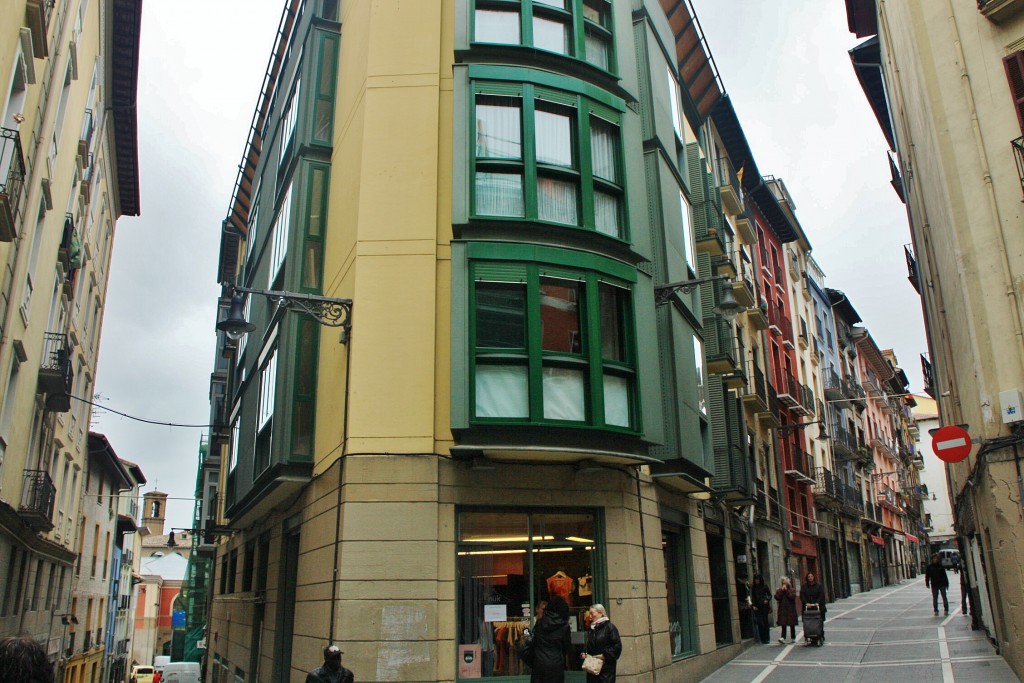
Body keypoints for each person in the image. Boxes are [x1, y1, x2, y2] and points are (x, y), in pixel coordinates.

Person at [527, 596, 573, 683]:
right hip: (555, 663)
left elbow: (533, 641)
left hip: (539, 663)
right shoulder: (564, 625)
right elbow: (567, 646)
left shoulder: (540, 622)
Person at [582, 603, 621, 682]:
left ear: (601, 613)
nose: (590, 616)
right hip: (592, 669)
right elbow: (588, 645)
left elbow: (617, 647)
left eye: (592, 613)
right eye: (589, 614)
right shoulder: (592, 629)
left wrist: (604, 655)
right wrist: (583, 653)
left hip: (605, 670)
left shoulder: (610, 627)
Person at [799, 572, 827, 642]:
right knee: (808, 622)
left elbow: (821, 595)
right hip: (808, 608)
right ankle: (810, 635)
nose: (810, 578)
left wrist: (817, 602)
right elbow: (802, 596)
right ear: (807, 578)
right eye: (809, 576)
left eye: (811, 576)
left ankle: (820, 634)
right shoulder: (804, 587)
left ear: (814, 577)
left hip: (818, 607)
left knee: (819, 621)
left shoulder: (819, 586)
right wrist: (806, 603)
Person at [750, 574, 773, 644]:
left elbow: (770, 595)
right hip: (757, 607)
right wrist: (753, 606)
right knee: (760, 622)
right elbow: (753, 597)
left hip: (764, 606)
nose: (757, 581)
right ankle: (762, 638)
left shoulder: (764, 586)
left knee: (765, 622)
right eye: (755, 579)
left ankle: (767, 638)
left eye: (758, 579)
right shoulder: (753, 588)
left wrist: (767, 600)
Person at [774, 577, 798, 644]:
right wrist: (782, 591)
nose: (784, 584)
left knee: (791, 624)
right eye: (783, 583)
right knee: (783, 624)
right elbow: (777, 597)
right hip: (783, 609)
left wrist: (786, 591)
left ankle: (793, 637)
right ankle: (783, 637)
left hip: (790, 609)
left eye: (785, 583)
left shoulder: (792, 590)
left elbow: (792, 597)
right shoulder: (779, 590)